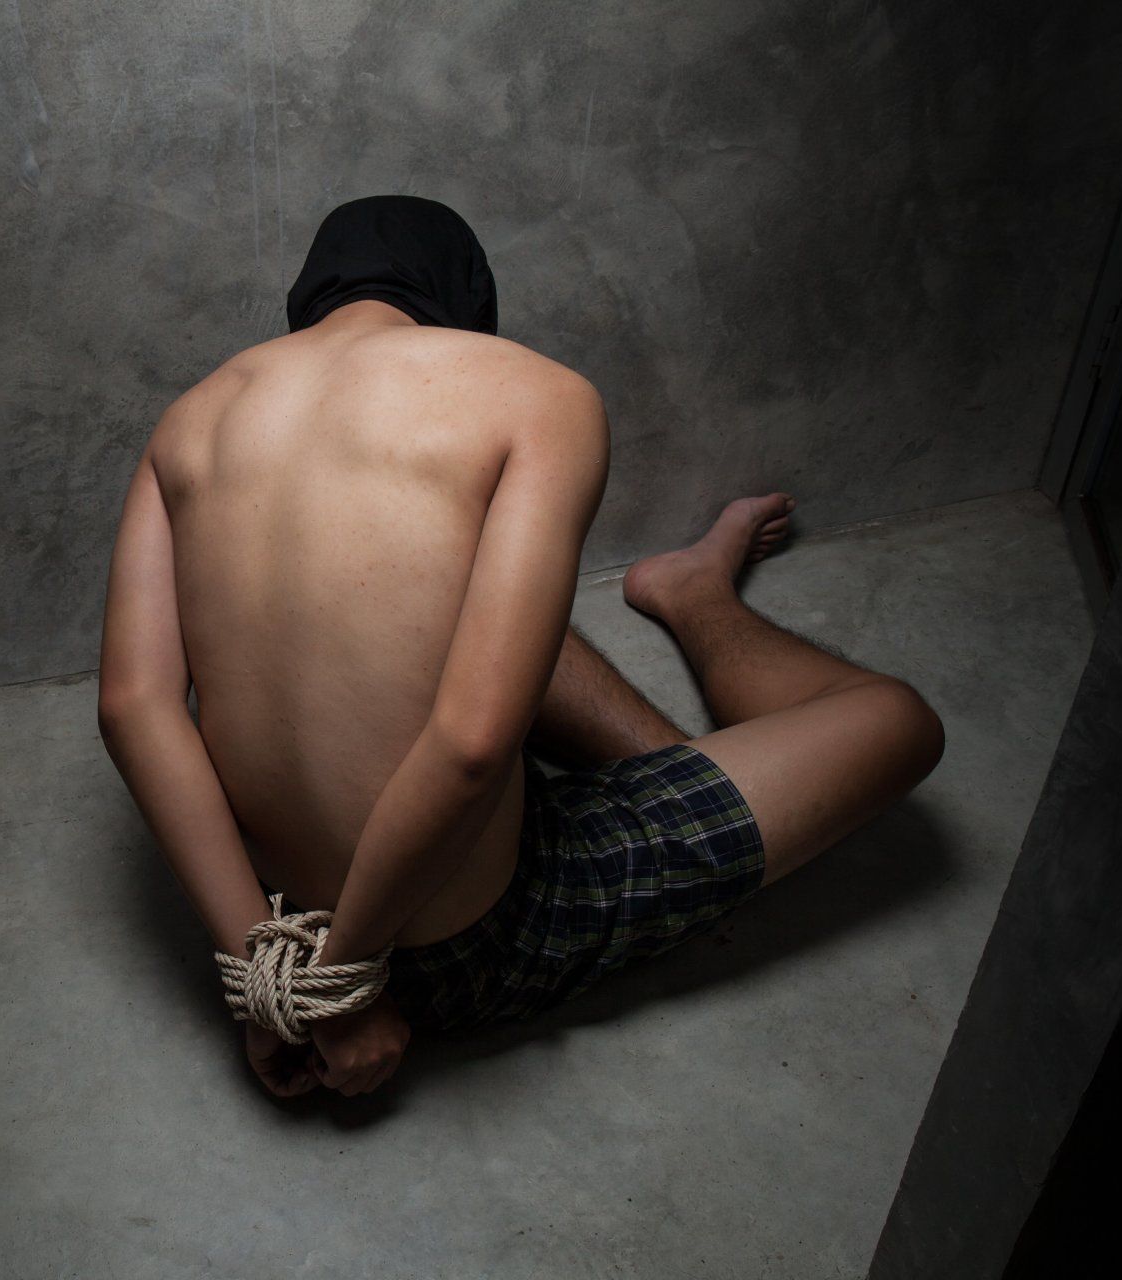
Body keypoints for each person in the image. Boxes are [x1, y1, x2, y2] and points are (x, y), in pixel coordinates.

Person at [95, 195, 944, 1099]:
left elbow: (134, 708)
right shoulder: (534, 392)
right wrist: (335, 992)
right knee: (899, 721)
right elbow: (466, 744)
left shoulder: (189, 419)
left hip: (270, 912)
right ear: (469, 306)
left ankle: (699, 772)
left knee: (452, 606)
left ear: (308, 306)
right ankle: (695, 601)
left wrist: (269, 975)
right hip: (449, 948)